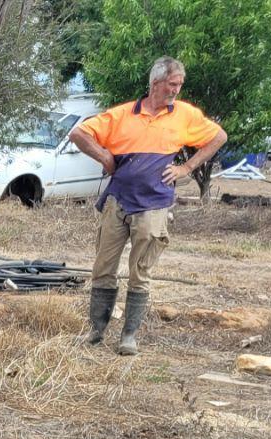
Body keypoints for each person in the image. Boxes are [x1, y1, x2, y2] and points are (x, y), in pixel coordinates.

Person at [68, 57, 225, 355]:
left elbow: (219, 136)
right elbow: (78, 134)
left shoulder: (185, 115)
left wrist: (186, 167)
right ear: (155, 83)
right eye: (172, 84)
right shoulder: (123, 114)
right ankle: (96, 332)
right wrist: (104, 156)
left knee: (141, 272)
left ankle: (129, 336)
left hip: (154, 204)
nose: (176, 90)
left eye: (179, 85)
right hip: (118, 200)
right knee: (103, 268)